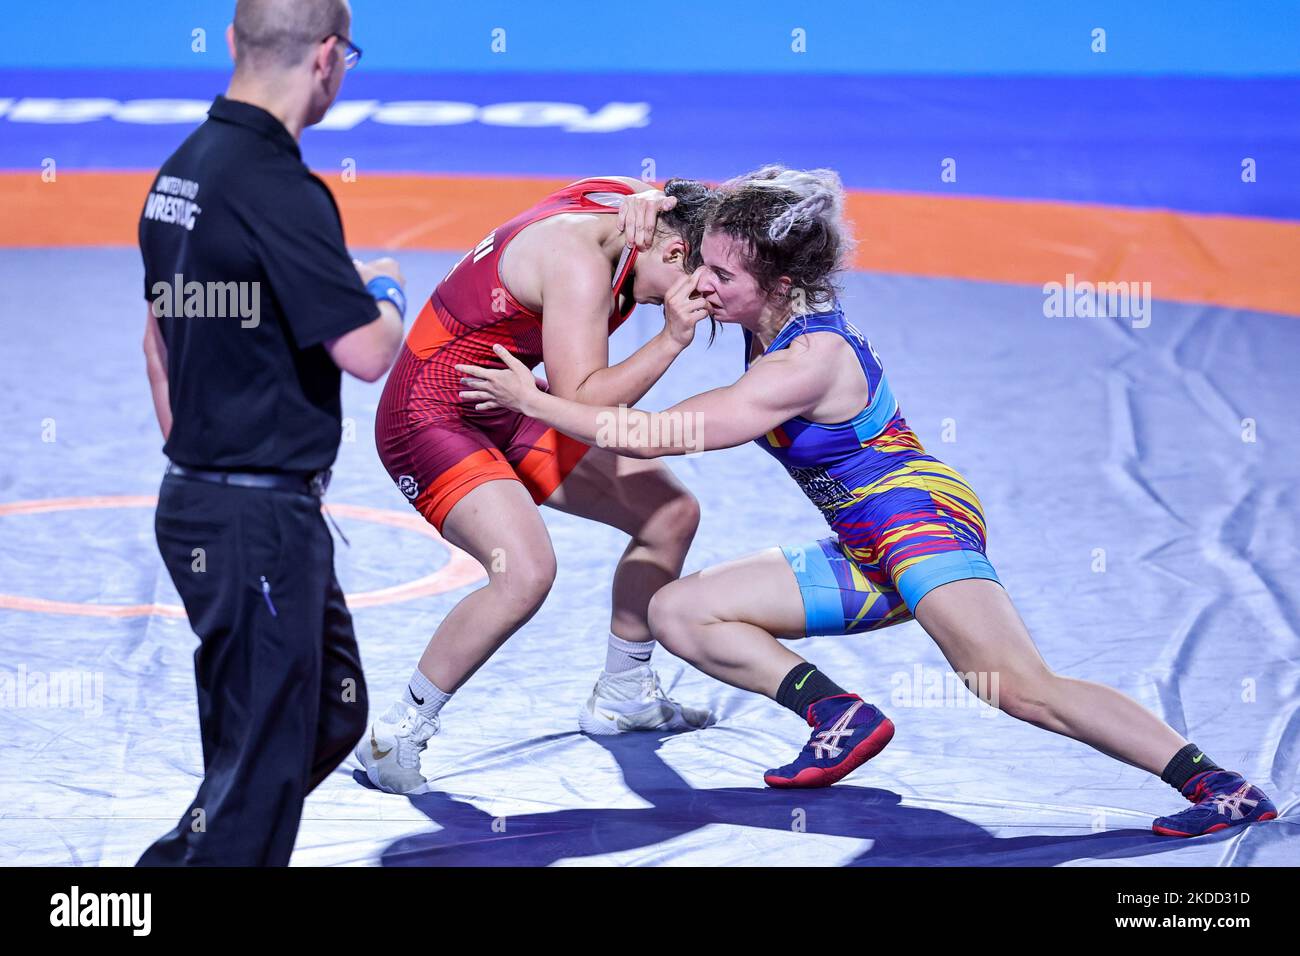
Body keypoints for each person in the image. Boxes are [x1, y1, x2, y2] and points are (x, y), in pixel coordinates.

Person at [457, 165, 1278, 838]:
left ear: (774, 280)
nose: (700, 282)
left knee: (1014, 685)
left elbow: (654, 435)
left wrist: (531, 403)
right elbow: (734, 208)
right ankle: (839, 716)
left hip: (915, 519)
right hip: (863, 534)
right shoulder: (770, 276)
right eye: (698, 261)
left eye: (719, 273)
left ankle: (1218, 785)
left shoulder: (802, 362)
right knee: (681, 612)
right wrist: (649, 203)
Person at [137, 0, 407, 865]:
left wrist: (207, 466)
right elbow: (366, 351)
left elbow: (157, 342)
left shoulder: (182, 171)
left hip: (214, 506)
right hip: (255, 522)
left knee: (327, 713)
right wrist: (388, 291)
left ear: (231, 42)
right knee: (258, 774)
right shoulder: (280, 189)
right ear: (328, 56)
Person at [357, 176, 719, 794]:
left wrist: (653, 191)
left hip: (509, 399)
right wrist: (670, 339)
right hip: (431, 414)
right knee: (523, 571)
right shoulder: (578, 264)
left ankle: (624, 693)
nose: (692, 300)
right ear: (677, 252)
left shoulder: (635, 202)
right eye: (695, 287)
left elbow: (730, 196)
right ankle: (398, 732)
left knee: (669, 514)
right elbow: (588, 406)